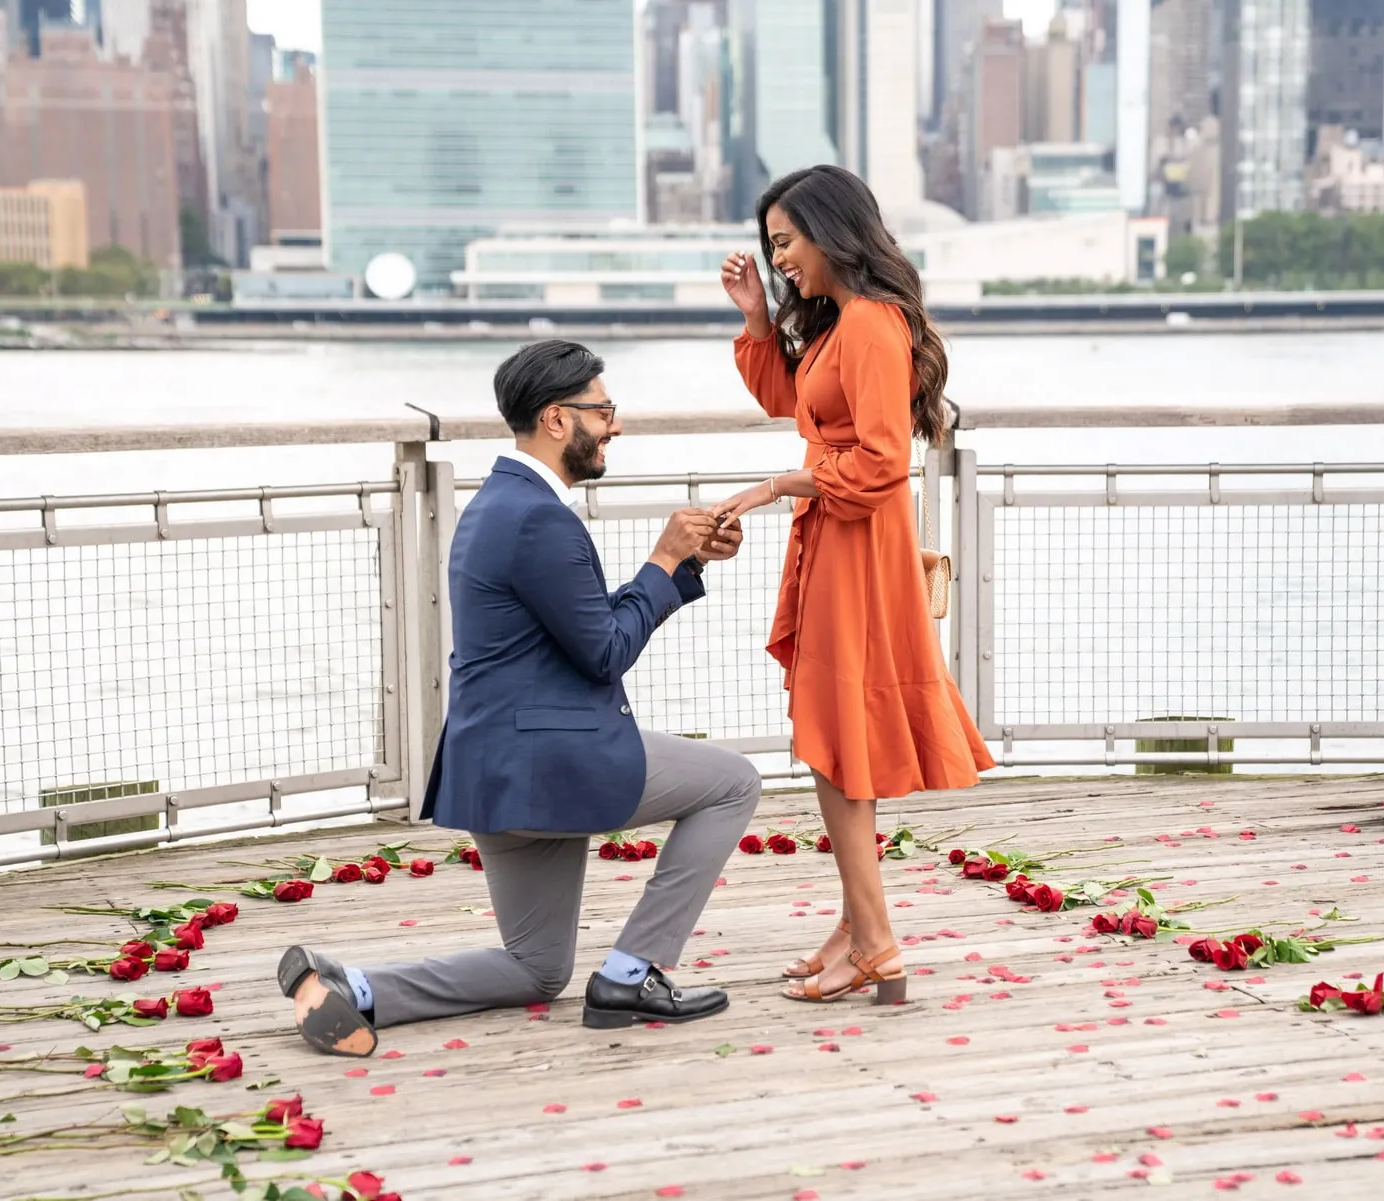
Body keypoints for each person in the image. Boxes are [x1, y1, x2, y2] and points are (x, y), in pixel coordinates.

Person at [277, 340, 762, 1056]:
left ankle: (358, 988)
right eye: (605, 411)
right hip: (552, 764)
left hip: (495, 768)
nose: (615, 426)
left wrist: (678, 566)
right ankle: (635, 970)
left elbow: (578, 629)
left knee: (536, 968)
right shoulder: (540, 517)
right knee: (732, 783)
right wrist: (662, 560)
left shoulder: (498, 504)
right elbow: (603, 651)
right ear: (557, 418)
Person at [713, 165, 993, 1005]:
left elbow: (880, 460)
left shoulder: (870, 325)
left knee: (835, 739)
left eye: (787, 242)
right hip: (840, 542)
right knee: (837, 737)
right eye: (772, 245)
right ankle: (854, 925)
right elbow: (793, 405)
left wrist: (781, 487)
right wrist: (760, 320)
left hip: (857, 545)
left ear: (832, 233)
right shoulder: (841, 325)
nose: (780, 258)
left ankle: (876, 942)